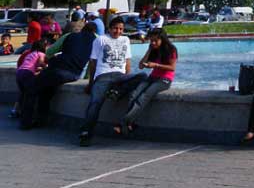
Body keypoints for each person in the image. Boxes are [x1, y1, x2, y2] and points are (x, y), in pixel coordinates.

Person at [20, 22, 97, 129]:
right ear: (94, 32)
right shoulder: (96, 41)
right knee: (47, 90)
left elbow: (50, 51)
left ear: (83, 29)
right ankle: (41, 121)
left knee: (32, 89)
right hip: (74, 74)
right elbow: (93, 63)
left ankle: (26, 122)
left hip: (58, 69)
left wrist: (45, 60)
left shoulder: (69, 36)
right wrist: (87, 78)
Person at [79, 16, 139, 146]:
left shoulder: (126, 40)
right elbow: (93, 62)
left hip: (120, 76)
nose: (118, 31)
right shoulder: (100, 40)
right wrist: (91, 82)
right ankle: (86, 133)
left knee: (143, 76)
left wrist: (126, 81)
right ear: (109, 29)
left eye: (121, 29)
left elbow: (127, 61)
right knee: (95, 104)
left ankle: (117, 92)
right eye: (115, 28)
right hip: (103, 76)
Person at [114, 28, 177, 135]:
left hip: (164, 80)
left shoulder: (171, 50)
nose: (153, 43)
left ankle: (122, 123)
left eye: (155, 41)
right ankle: (130, 124)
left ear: (163, 39)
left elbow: (172, 68)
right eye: (151, 40)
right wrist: (149, 51)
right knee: (133, 95)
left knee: (144, 97)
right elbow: (140, 66)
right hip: (152, 78)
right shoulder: (153, 49)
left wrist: (155, 65)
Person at [16, 39, 47, 127]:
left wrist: (37, 70)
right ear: (43, 47)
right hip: (27, 73)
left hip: (19, 73)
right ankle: (26, 122)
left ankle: (21, 117)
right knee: (30, 98)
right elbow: (41, 62)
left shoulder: (30, 54)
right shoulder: (40, 53)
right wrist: (46, 66)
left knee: (24, 95)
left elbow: (29, 65)